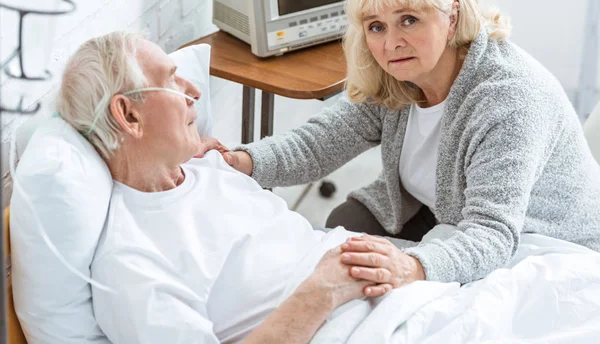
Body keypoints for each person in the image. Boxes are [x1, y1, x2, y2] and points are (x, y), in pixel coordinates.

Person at [217, 0, 600, 285]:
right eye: (376, 27)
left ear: (452, 17)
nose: (391, 43)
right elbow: (320, 142)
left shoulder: (508, 100)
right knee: (344, 229)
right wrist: (239, 162)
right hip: (443, 210)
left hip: (539, 237)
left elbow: (492, 233)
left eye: (409, 20)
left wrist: (410, 267)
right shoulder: (400, 75)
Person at [57, 31, 420, 344]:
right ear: (129, 116)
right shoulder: (131, 264)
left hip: (404, 300)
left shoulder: (207, 165)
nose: (194, 91)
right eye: (171, 82)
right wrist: (323, 290)